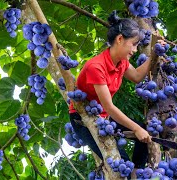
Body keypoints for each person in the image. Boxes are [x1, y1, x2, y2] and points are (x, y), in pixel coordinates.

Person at [68, 10, 166, 170]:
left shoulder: (121, 62)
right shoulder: (96, 67)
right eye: (133, 44)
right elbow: (109, 107)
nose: (135, 50)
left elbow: (136, 76)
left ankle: (136, 173)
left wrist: (154, 54)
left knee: (145, 134)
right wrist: (136, 129)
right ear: (120, 39)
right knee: (121, 164)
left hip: (104, 117)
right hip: (84, 119)